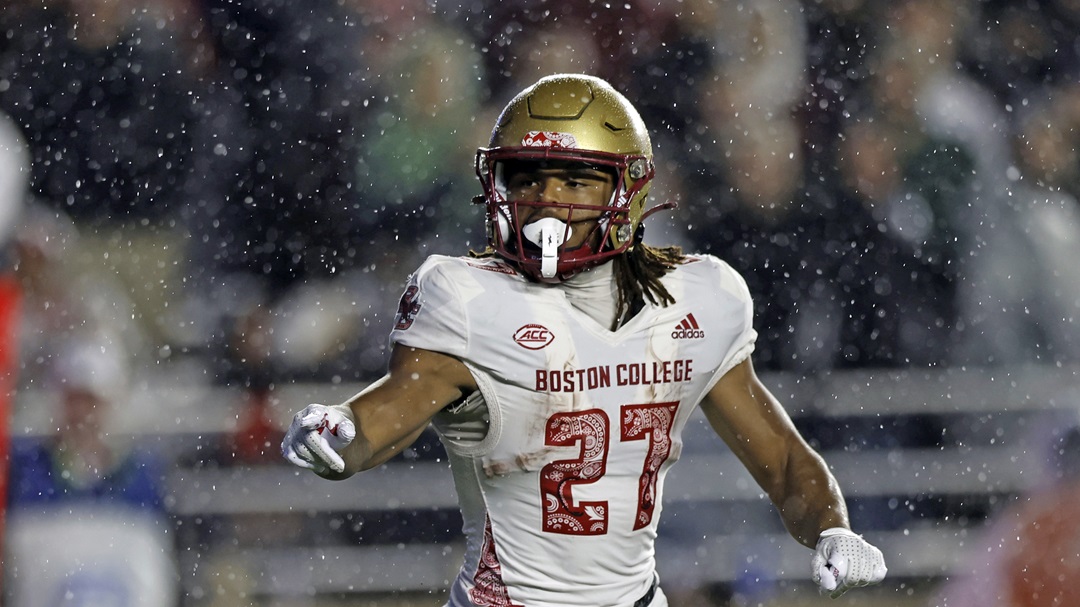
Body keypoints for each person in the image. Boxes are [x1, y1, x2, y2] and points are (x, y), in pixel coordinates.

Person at [281, 74, 887, 606]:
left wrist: (834, 527)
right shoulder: (467, 297)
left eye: (575, 182)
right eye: (529, 179)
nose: (547, 203)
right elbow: (385, 420)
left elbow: (781, 460)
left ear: (628, 193)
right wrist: (335, 435)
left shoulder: (698, 296)